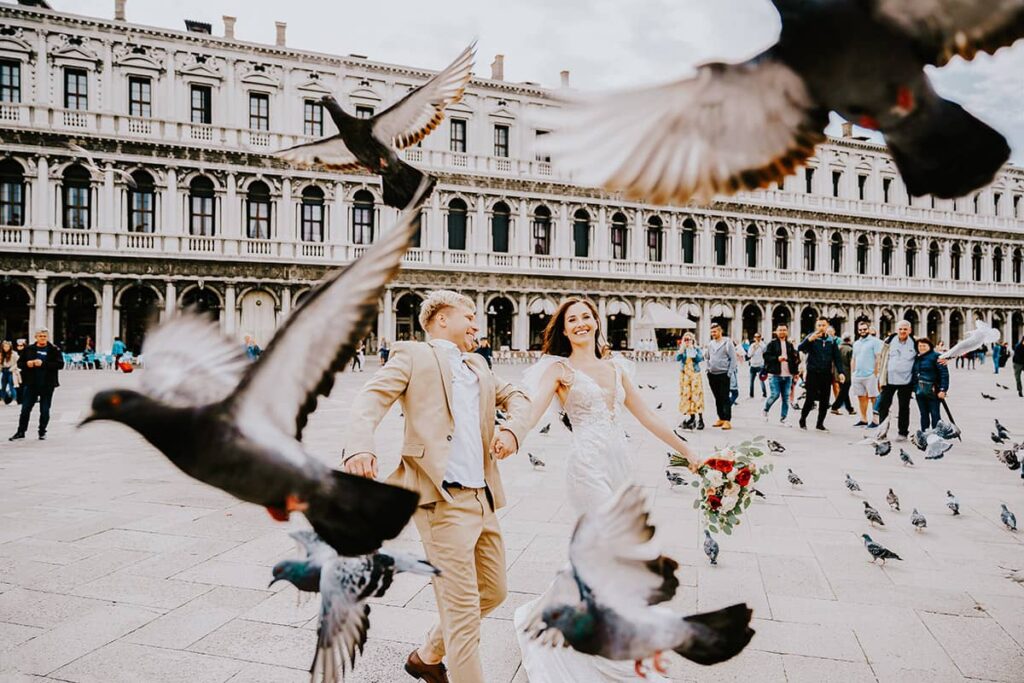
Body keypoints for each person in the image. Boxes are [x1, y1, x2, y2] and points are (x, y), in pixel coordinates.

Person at [343, 290, 530, 683]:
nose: (477, 325)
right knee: (462, 614)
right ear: (442, 319)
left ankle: (427, 655)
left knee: (493, 592)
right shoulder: (413, 355)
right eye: (469, 316)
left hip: (484, 499)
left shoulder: (478, 364)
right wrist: (359, 445)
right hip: (440, 500)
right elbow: (369, 399)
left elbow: (517, 397)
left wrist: (512, 429)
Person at [514, 298, 694, 682]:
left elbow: (647, 415)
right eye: (571, 320)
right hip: (586, 467)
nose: (580, 324)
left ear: (596, 322)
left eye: (585, 317)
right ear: (563, 330)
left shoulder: (617, 366)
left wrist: (689, 452)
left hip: (619, 466)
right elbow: (531, 411)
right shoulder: (559, 369)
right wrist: (510, 435)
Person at [10, 328, 64, 441]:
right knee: (25, 409)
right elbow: (20, 363)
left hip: (47, 384)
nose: (42, 338)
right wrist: (27, 364)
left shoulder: (54, 349)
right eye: (40, 336)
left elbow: (60, 364)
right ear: (36, 337)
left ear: (47, 337)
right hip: (31, 384)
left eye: (44, 336)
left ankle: (42, 431)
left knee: (44, 410)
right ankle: (21, 432)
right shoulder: (29, 349)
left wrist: (43, 364)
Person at [798, 317, 845, 431]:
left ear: (827, 326)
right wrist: (809, 340)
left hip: (826, 373)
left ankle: (820, 423)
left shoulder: (831, 340)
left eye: (823, 325)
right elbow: (800, 348)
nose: (821, 327)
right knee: (810, 399)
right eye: (819, 325)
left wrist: (841, 372)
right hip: (813, 373)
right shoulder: (811, 338)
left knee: (825, 400)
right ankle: (803, 419)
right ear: (816, 326)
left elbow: (837, 358)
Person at [874, 320, 917, 441]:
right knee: (883, 405)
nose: (902, 331)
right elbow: (881, 359)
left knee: (904, 407)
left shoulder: (915, 343)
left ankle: (903, 432)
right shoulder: (888, 341)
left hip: (906, 381)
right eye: (900, 329)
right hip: (889, 379)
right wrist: (879, 377)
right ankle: (882, 431)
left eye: (905, 329)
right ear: (896, 330)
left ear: (910, 330)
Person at [763, 323, 799, 426]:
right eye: (780, 330)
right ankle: (766, 409)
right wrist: (777, 358)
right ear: (776, 332)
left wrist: (795, 373)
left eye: (784, 330)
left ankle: (783, 418)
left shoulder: (790, 345)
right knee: (775, 395)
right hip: (775, 374)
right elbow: (766, 356)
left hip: (787, 375)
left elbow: (794, 360)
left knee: (786, 398)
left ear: (787, 332)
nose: (782, 332)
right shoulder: (772, 344)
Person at [912, 337, 949, 431]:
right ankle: (925, 433)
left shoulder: (937, 357)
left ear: (929, 346)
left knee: (935, 413)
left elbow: (944, 374)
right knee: (923, 414)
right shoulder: (917, 357)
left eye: (924, 346)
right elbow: (914, 373)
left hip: (934, 390)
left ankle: (937, 434)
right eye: (919, 346)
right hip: (920, 391)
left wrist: (943, 389)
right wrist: (915, 388)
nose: (922, 348)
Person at [850, 323, 884, 427]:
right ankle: (863, 419)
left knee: (873, 397)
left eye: (864, 329)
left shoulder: (875, 342)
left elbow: (878, 357)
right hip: (858, 375)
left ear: (868, 329)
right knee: (861, 397)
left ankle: (875, 420)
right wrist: (853, 373)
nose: (862, 331)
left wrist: (875, 373)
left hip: (870, 375)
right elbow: (854, 358)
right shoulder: (856, 343)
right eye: (860, 330)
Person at [705, 323, 737, 430]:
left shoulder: (727, 343)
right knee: (717, 397)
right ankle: (721, 418)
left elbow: (733, 359)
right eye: (712, 332)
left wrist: (729, 373)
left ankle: (727, 420)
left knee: (725, 397)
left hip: (724, 374)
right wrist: (708, 369)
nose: (713, 333)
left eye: (715, 331)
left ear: (720, 331)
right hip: (712, 374)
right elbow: (708, 357)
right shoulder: (710, 344)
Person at [676, 332, 705, 430]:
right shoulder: (683, 350)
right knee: (687, 396)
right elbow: (677, 358)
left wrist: (692, 349)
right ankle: (692, 418)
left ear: (693, 340)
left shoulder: (696, 349)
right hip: (685, 375)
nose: (688, 341)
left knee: (697, 395)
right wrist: (682, 349)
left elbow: (700, 359)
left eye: (689, 339)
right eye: (686, 339)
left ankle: (700, 419)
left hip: (695, 375)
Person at [830, 335, 855, 416]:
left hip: (838, 373)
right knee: (844, 391)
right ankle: (835, 407)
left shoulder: (838, 347)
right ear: (850, 340)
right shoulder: (850, 349)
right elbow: (851, 363)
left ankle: (849, 408)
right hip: (847, 373)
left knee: (844, 391)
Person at [746, 332, 766, 398]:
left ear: (760, 338)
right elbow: (749, 355)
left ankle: (764, 394)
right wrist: (754, 349)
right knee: (751, 381)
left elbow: (765, 351)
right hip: (753, 365)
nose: (757, 338)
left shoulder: (763, 345)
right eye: (755, 337)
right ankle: (751, 395)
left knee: (761, 380)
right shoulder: (752, 345)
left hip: (760, 365)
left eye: (758, 337)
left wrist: (759, 345)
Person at [1, 340, 19, 405]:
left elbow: (18, 362)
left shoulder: (14, 354)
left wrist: (11, 369)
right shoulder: (1, 354)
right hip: (4, 370)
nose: (6, 348)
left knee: (12, 386)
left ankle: (14, 399)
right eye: (4, 347)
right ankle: (2, 400)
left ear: (10, 347)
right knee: (3, 386)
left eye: (7, 346)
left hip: (11, 371)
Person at [13, 339, 26, 404]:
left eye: (21, 346)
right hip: (16, 371)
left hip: (24, 372)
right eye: (18, 346)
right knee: (18, 386)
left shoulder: (26, 352)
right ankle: (19, 399)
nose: (20, 347)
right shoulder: (15, 353)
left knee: (24, 386)